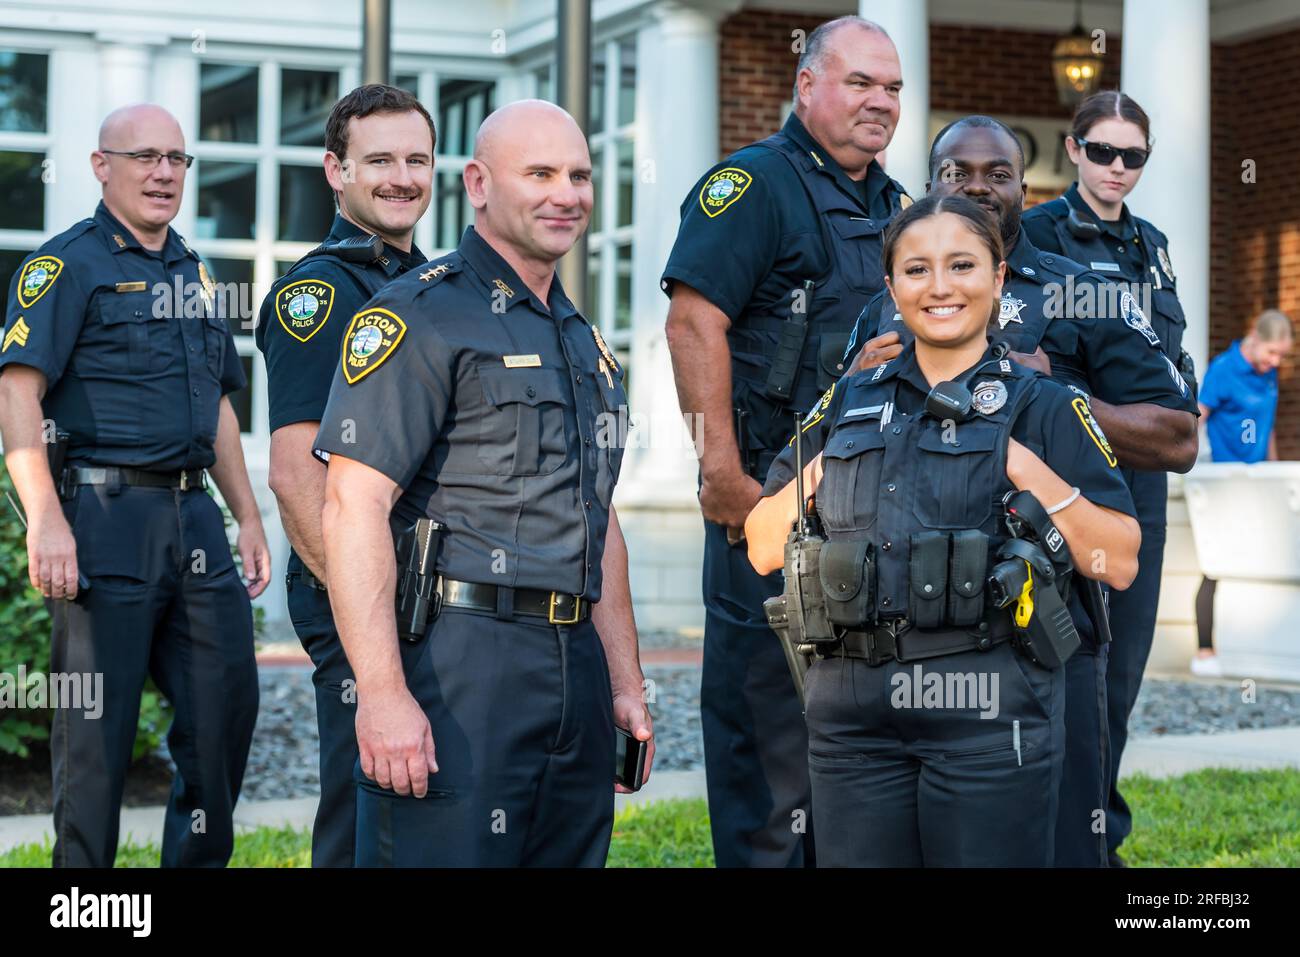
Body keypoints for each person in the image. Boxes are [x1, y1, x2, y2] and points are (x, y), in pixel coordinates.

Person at [838, 115, 1199, 867]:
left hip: (1045, 616)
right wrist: (851, 382)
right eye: (955, 173)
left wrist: (1050, 391)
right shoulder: (892, 302)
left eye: (996, 173)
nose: (975, 186)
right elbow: (839, 435)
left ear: (1023, 185)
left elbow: (1176, 436)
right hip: (904, 632)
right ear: (929, 184)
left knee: (1065, 834)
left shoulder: (1081, 293)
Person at [745, 194, 1140, 866]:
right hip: (853, 717)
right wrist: (823, 470)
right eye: (917, 269)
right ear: (892, 285)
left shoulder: (1045, 405)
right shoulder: (848, 400)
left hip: (990, 712)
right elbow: (759, 544)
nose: (940, 286)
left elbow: (1120, 559)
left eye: (962, 264)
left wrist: (1022, 467)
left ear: (998, 278)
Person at [313, 100, 653, 867]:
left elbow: (600, 518)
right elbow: (352, 505)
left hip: (574, 665)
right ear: (478, 182)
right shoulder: (420, 315)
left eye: (580, 175)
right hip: (461, 662)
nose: (566, 193)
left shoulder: (582, 340)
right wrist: (382, 691)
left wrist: (625, 681)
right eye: (540, 173)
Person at [661, 14, 909, 868]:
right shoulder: (754, 184)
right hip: (768, 520)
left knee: (856, 760)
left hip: (870, 526)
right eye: (860, 83)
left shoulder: (899, 206)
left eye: (893, 88)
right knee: (768, 768)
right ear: (808, 86)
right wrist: (720, 471)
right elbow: (693, 322)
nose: (880, 102)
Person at [0, 104, 270, 867]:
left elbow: (218, 401)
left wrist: (248, 515)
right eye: (145, 156)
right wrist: (44, 517)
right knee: (95, 738)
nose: (163, 173)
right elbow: (17, 392)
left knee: (225, 711)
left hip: (195, 518)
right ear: (101, 165)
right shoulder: (64, 265)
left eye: (177, 160)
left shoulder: (195, 268)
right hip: (102, 519)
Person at [255, 83, 433, 867]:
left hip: (421, 589)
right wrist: (372, 627)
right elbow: (296, 476)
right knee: (362, 808)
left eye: (417, 159)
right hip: (362, 595)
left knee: (418, 801)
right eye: (380, 160)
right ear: (336, 170)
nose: (402, 177)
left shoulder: (431, 283)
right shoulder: (319, 293)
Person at [1021, 91, 1197, 866]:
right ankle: (1057, 832)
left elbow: (1168, 365)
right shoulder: (1036, 234)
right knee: (1064, 664)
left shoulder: (1150, 245)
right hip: (1065, 481)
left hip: (1143, 484)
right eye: (1103, 152)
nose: (1117, 169)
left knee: (1119, 672)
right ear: (1074, 148)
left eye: (1134, 156)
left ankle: (1100, 834)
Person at [1192, 309, 1293, 676]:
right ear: (1254, 337)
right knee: (1217, 562)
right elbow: (1197, 418)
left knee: (1262, 559)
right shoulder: (1224, 369)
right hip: (1224, 483)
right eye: (1272, 353)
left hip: (1259, 483)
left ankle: (1259, 650)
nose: (1275, 362)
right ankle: (1205, 648)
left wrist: (1275, 471)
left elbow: (1267, 428)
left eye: (1281, 356)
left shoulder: (1269, 375)